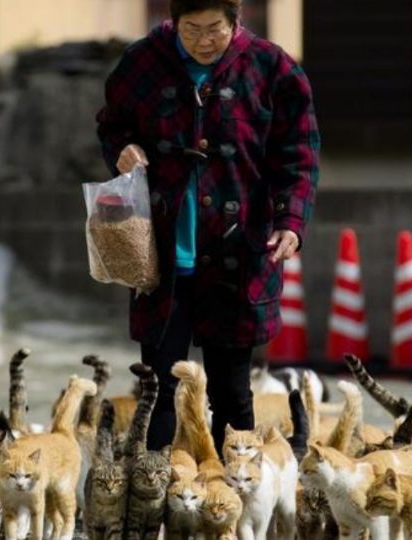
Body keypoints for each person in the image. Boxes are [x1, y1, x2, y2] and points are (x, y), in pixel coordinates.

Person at [96, 0, 320, 455]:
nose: (203, 41)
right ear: (173, 23)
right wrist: (123, 149)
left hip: (238, 253)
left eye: (214, 29)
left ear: (236, 21)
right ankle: (156, 503)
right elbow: (112, 124)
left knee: (233, 395)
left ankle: (233, 503)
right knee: (157, 392)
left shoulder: (271, 67)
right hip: (161, 257)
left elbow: (299, 152)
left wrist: (291, 221)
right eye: (191, 29)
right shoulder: (143, 61)